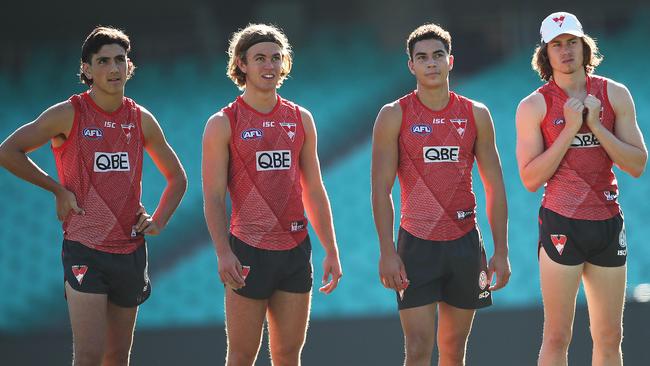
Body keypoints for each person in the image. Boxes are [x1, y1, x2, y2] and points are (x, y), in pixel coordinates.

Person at [0, 26, 187, 365]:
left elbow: (177, 178)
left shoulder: (141, 119)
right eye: (103, 61)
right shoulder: (68, 114)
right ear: (87, 69)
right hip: (85, 248)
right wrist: (56, 189)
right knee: (88, 355)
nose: (114, 69)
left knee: (117, 356)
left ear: (129, 66)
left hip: (130, 248)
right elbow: (8, 151)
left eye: (120, 60)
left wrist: (158, 221)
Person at [201, 23, 342, 366]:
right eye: (260, 58)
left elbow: (314, 188)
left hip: (295, 250)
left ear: (285, 64)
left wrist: (331, 249)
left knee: (287, 355)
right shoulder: (223, 123)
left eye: (276, 58)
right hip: (247, 250)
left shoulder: (300, 118)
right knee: (241, 356)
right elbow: (214, 197)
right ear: (242, 64)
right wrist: (223, 252)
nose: (269, 65)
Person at [371, 23, 510, 365]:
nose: (430, 63)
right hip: (416, 244)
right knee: (418, 347)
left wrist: (502, 251)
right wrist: (387, 252)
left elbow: (495, 185)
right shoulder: (393, 115)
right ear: (411, 66)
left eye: (437, 55)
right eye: (422, 57)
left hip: (465, 244)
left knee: (453, 350)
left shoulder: (476, 114)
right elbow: (380, 189)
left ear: (450, 61)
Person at [515, 11, 647, 366]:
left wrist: (597, 127)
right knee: (558, 336)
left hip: (607, 221)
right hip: (562, 222)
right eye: (557, 44)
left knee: (609, 336)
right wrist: (570, 129)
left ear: (584, 46)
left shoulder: (614, 94)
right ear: (546, 53)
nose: (566, 50)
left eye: (572, 42)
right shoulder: (533, 106)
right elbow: (530, 179)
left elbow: (637, 164)